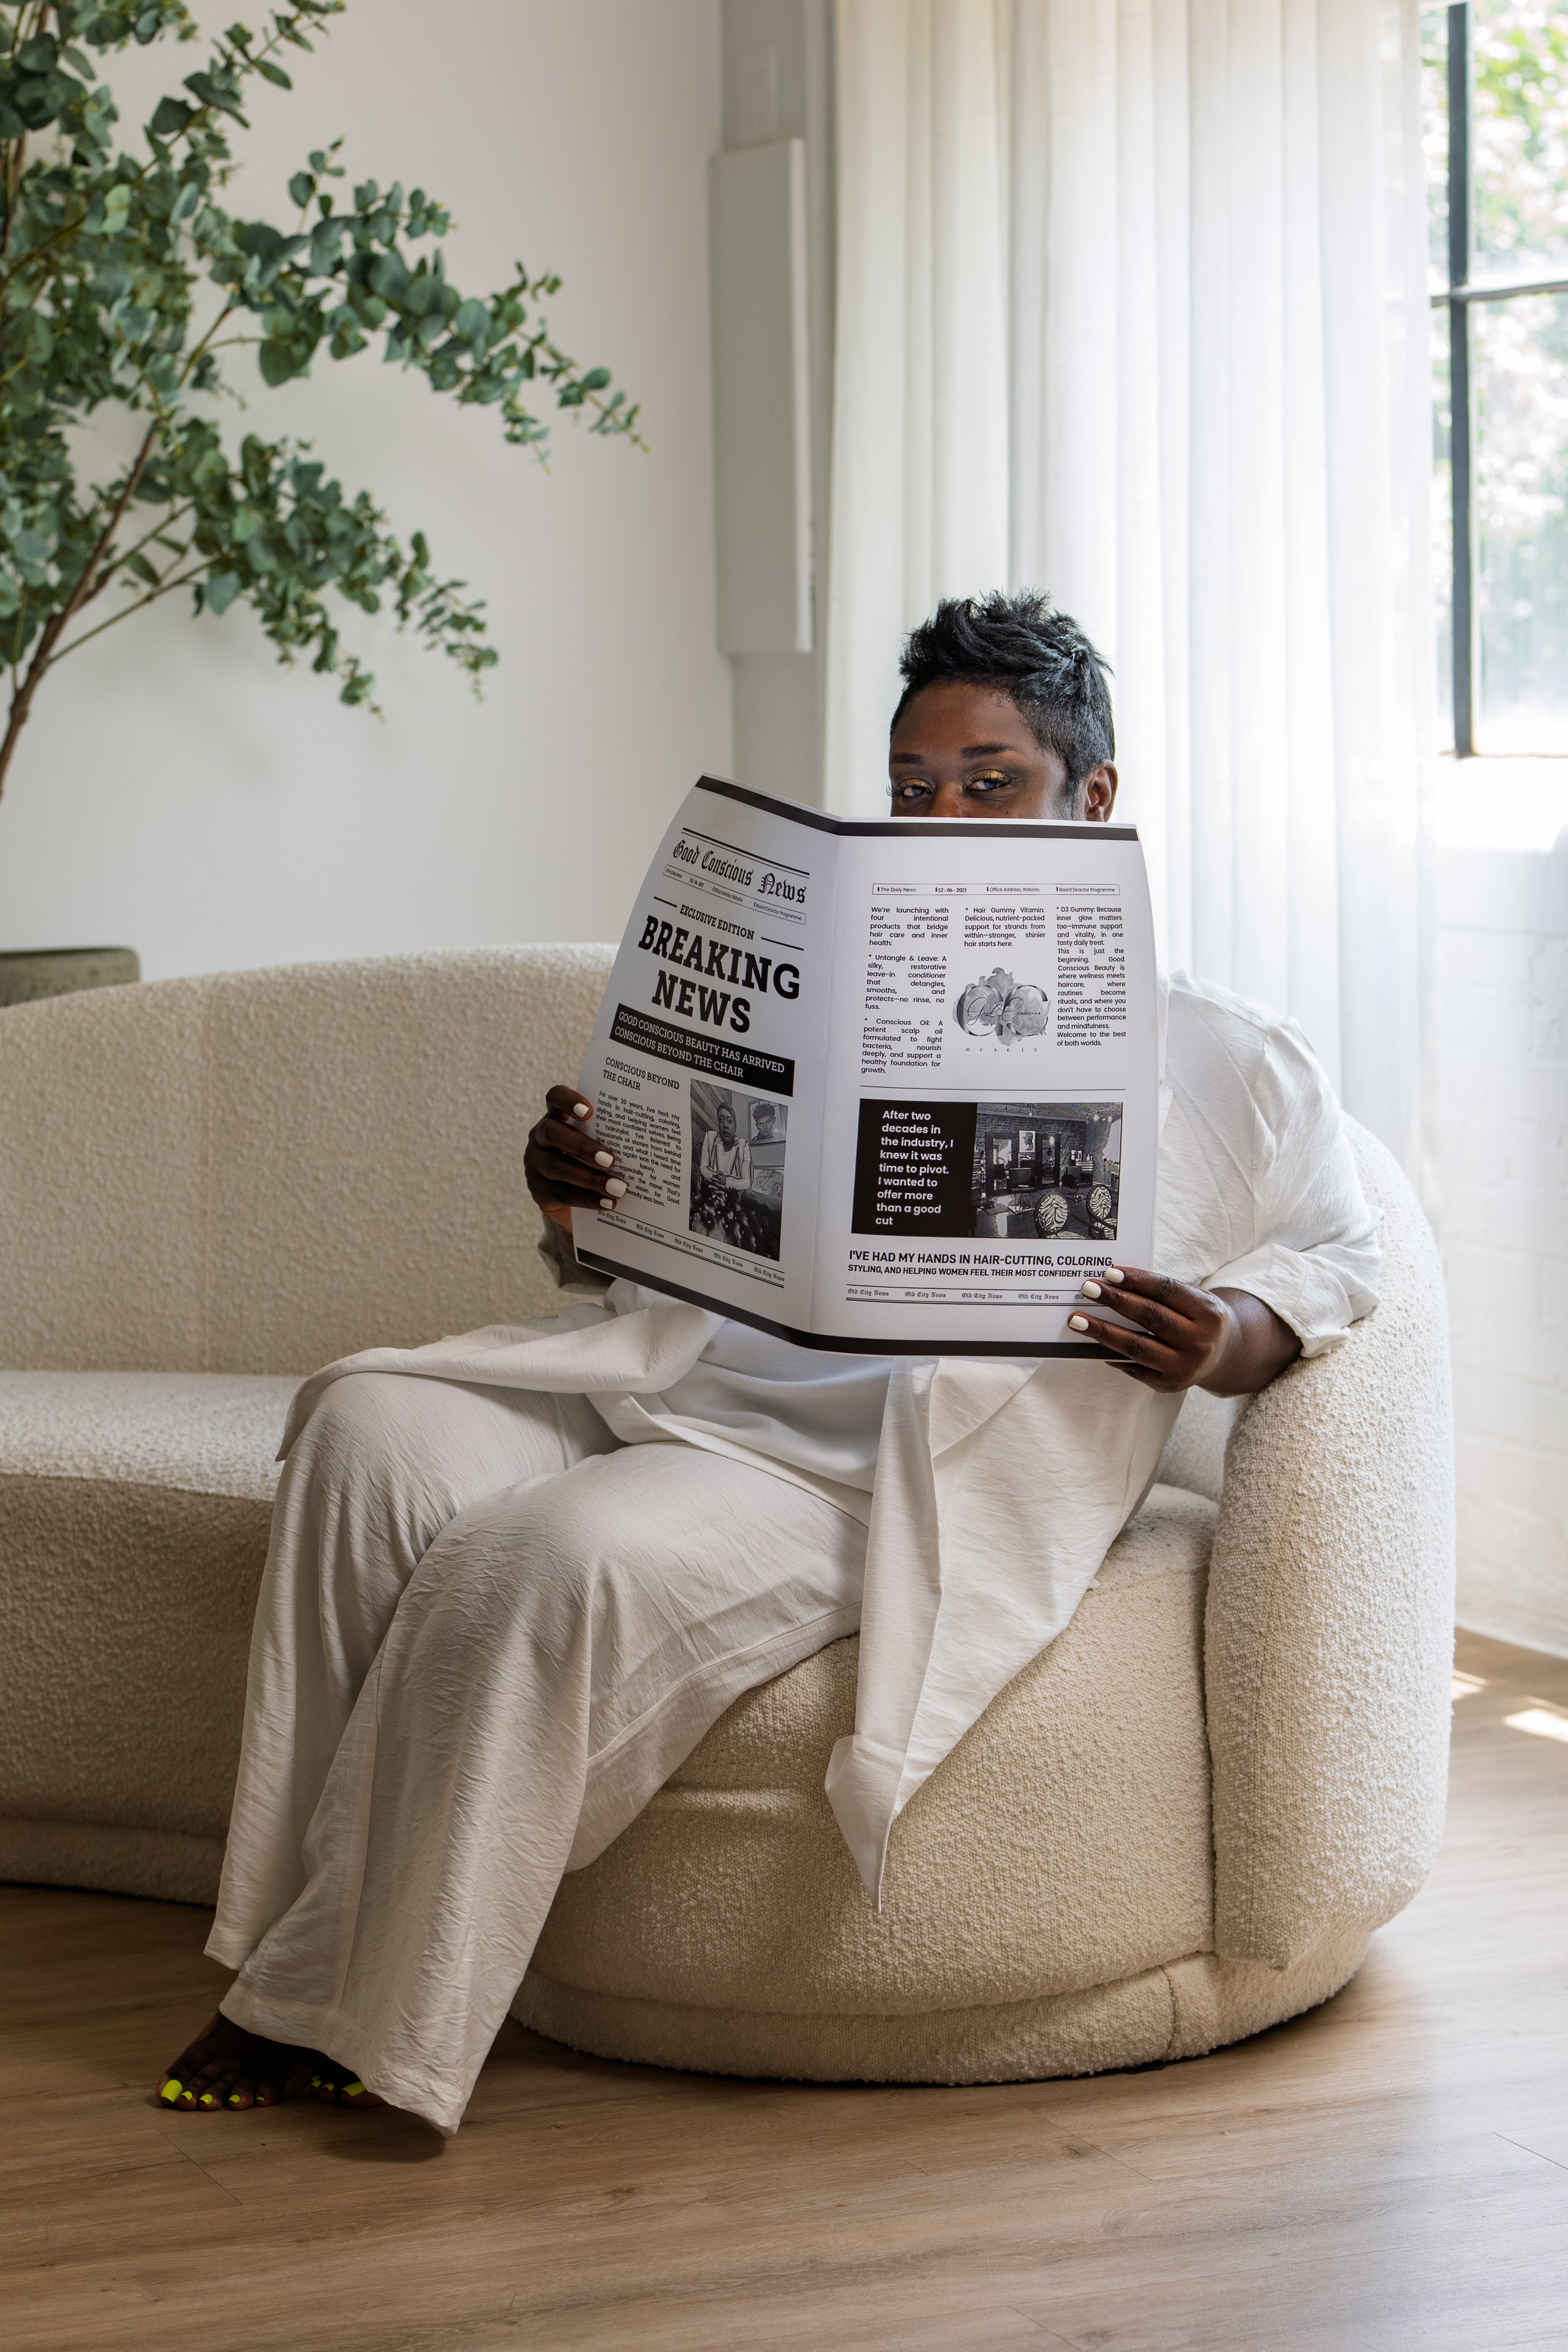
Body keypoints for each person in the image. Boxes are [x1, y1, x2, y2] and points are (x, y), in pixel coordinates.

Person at [156, 591, 1379, 2132]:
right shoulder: (826, 997)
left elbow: (1343, 1255)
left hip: (862, 1480)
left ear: (1094, 799)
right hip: (670, 1375)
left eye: (990, 785)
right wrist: (583, 1205)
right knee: (364, 1425)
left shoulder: (1227, 1057)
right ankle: (287, 1936)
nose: (942, 823)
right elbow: (657, 1247)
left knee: (549, 1560)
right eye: (914, 789)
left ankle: (345, 2018)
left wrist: (1230, 1337)